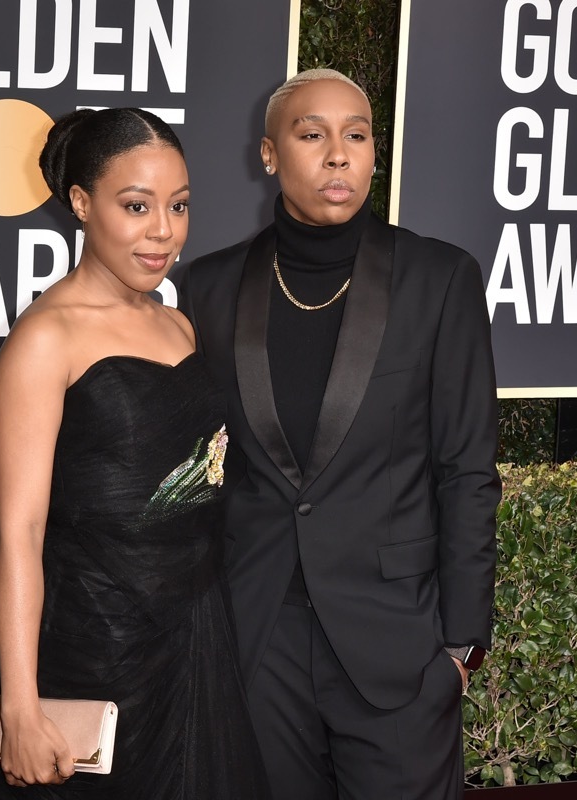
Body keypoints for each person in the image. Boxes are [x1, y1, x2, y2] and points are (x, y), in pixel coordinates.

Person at [175, 69, 501, 800]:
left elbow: (466, 467)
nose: (338, 154)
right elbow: (200, 472)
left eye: (356, 135)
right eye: (311, 134)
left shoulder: (439, 278)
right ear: (268, 154)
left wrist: (460, 647)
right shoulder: (210, 287)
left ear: (374, 153)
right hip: (260, 639)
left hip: (398, 643)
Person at [0, 107, 267, 798]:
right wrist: (21, 705)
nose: (163, 231)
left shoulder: (180, 324)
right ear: (82, 203)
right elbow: (20, 533)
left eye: (177, 206)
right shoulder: (44, 339)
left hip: (195, 644)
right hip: (92, 651)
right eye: (136, 206)